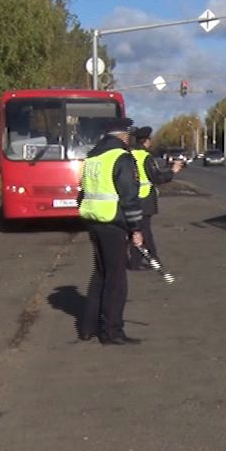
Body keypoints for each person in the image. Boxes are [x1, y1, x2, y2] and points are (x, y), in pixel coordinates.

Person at [78, 117, 143, 345]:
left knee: (100, 275)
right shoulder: (121, 158)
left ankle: (88, 327)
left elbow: (81, 193)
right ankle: (112, 331)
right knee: (116, 280)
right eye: (127, 134)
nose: (128, 138)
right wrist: (136, 228)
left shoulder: (92, 158)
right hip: (113, 224)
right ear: (122, 135)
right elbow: (129, 197)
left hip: (93, 222)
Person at [127, 126, 183, 269]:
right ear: (146, 141)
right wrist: (172, 171)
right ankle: (154, 260)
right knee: (145, 232)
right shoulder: (146, 157)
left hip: (131, 197)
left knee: (136, 230)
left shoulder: (129, 155)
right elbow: (156, 177)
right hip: (144, 198)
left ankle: (136, 261)